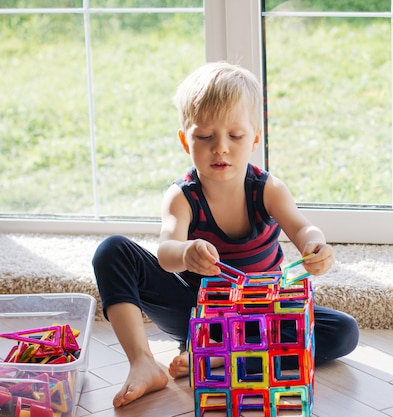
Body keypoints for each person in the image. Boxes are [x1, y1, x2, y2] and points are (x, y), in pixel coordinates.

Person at [91, 61, 359, 408]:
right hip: (198, 312)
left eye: (235, 136)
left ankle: (221, 358)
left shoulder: (267, 188)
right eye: (205, 137)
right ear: (185, 140)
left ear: (256, 137)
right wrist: (186, 252)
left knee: (342, 331)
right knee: (112, 251)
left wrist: (315, 245)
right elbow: (166, 250)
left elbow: (301, 226)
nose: (221, 148)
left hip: (262, 315)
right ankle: (143, 361)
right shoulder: (183, 195)